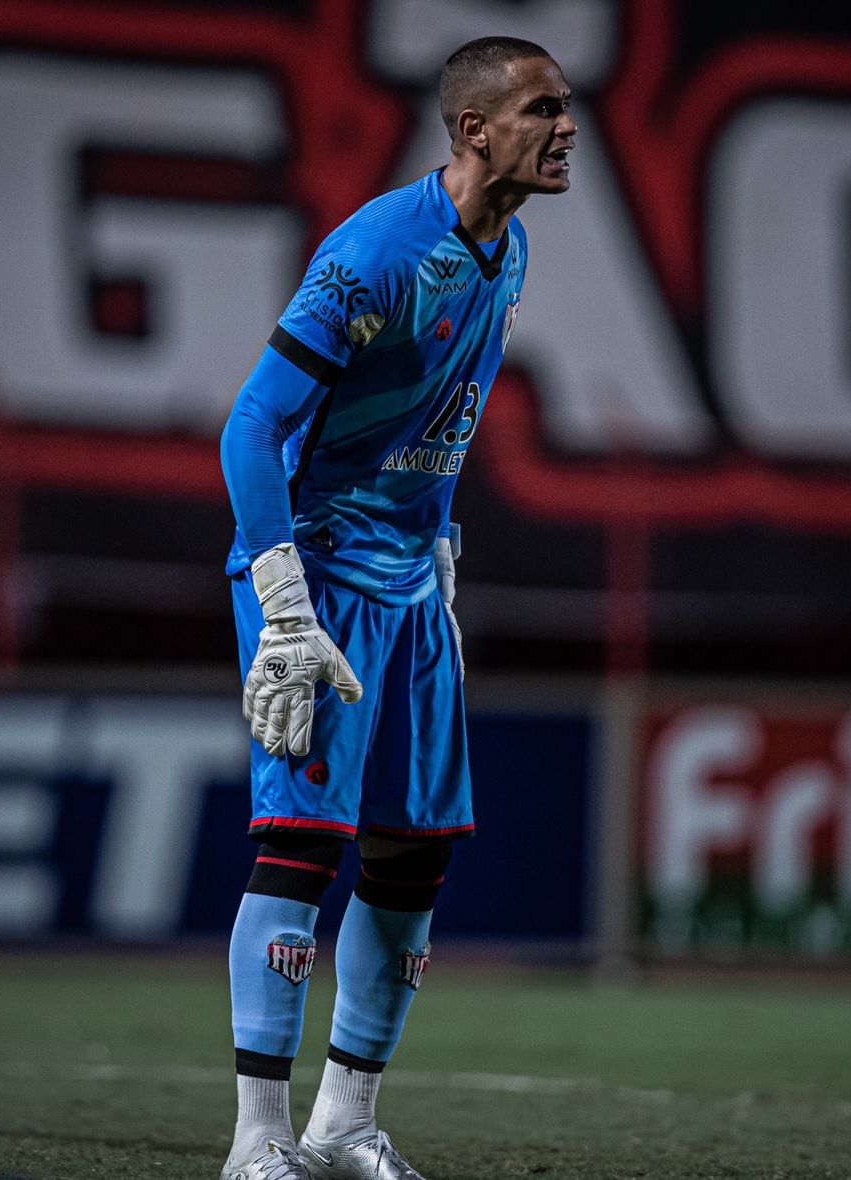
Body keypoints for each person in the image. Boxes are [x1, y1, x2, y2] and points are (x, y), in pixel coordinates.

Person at [216, 35, 576, 1180]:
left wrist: (440, 549)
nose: (568, 128)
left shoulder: (506, 251)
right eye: (542, 109)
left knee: (414, 854)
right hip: (316, 576)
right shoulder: (372, 252)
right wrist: (280, 603)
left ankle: (341, 1125)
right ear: (473, 130)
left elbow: (440, 419)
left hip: (417, 584)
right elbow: (250, 427)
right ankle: (255, 1144)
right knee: (301, 848)